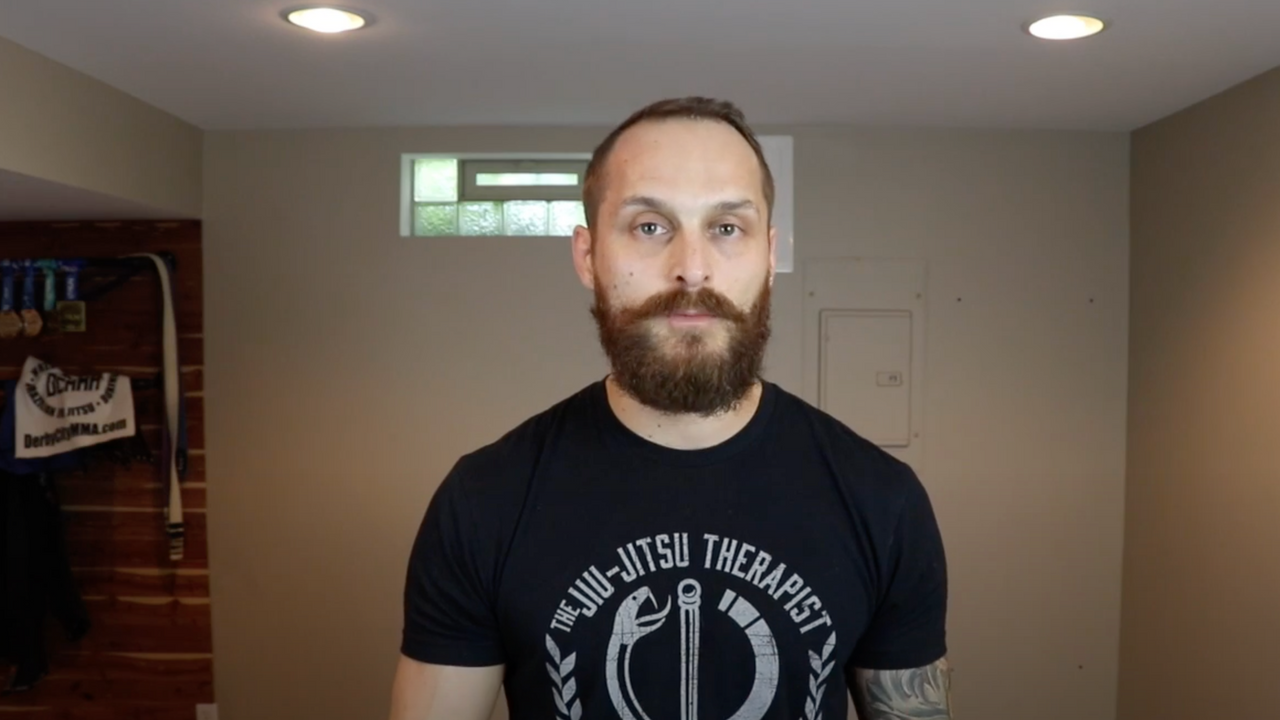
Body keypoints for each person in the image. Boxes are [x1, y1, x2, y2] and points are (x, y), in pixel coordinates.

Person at [388, 96, 952, 720]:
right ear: (587, 257)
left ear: (769, 256)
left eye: (726, 227)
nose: (692, 269)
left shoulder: (882, 500)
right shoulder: (484, 500)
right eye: (650, 226)